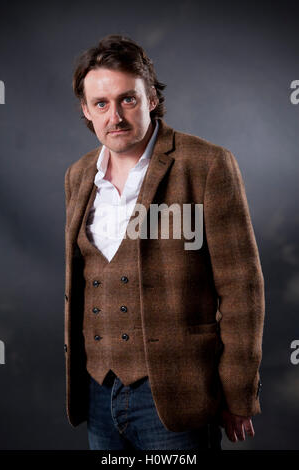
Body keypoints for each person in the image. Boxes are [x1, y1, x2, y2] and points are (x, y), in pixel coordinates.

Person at [64, 34, 265, 450]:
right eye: (101, 104)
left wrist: (239, 392)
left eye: (128, 100)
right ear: (86, 109)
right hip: (99, 392)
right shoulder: (78, 175)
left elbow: (242, 290)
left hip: (178, 397)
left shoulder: (206, 164)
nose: (114, 116)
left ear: (152, 97)